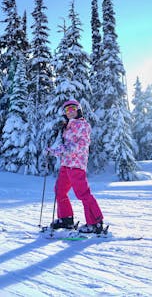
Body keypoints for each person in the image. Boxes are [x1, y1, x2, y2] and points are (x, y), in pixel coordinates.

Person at [47, 99, 104, 233]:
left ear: (78, 110)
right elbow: (65, 147)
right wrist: (54, 151)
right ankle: (66, 219)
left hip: (77, 164)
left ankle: (95, 223)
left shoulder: (83, 125)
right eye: (67, 110)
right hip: (66, 164)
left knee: (83, 194)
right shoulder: (68, 126)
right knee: (60, 191)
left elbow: (82, 145)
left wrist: (65, 148)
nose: (70, 112)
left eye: (72, 108)